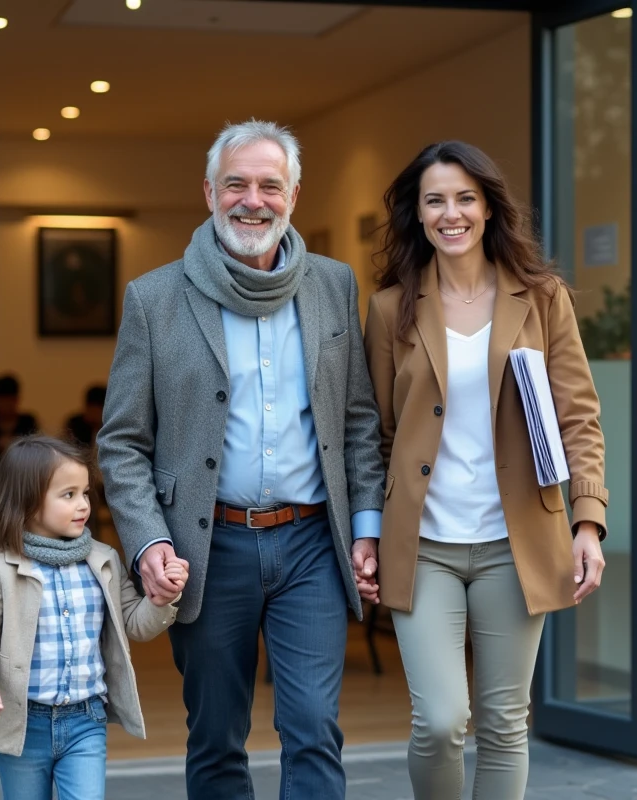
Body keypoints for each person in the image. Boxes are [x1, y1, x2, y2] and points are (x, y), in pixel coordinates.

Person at [98, 119, 387, 800]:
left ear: (293, 194)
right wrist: (150, 543)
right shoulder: (154, 298)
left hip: (313, 543)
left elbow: (358, 421)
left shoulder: (334, 286)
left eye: (268, 185)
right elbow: (122, 443)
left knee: (314, 726)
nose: (251, 200)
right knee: (217, 735)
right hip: (206, 550)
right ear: (208, 191)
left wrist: (368, 527)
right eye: (236, 184)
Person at [363, 140, 609, 800]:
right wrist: (369, 529)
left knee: (503, 723)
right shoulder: (391, 310)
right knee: (440, 721)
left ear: (489, 208)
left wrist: (588, 522)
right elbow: (377, 434)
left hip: (515, 540)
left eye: (465, 198)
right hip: (426, 547)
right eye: (435, 200)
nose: (452, 213)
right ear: (417, 215)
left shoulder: (543, 298)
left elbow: (578, 417)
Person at [0, 435, 187, 800]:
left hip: (85, 721)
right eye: (68, 495)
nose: (83, 505)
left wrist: (162, 598)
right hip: (23, 723)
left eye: (85, 493)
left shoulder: (103, 559)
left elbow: (134, 624)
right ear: (29, 504)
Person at [0, 374, 39, 459]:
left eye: (10, 400)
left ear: (17, 400)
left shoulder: (28, 422)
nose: (6, 405)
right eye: (2, 401)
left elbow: (36, 450)